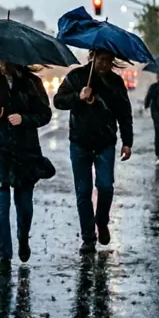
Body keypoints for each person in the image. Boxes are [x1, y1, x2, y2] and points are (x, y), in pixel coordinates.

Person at [0, 61, 55, 275]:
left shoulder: (32, 83)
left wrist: (24, 119)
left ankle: (23, 238)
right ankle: (4, 257)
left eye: (5, 59)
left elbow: (45, 114)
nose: (1, 63)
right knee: (0, 207)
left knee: (25, 207)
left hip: (25, 152)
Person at [53, 49, 133, 253]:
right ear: (92, 57)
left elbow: (124, 113)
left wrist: (127, 141)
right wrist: (78, 96)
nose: (104, 64)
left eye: (108, 60)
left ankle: (102, 220)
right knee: (83, 192)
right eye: (100, 59)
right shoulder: (77, 76)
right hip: (80, 142)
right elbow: (58, 101)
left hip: (105, 143)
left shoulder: (115, 82)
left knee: (106, 186)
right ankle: (88, 237)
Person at [144, 73, 159, 164]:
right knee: (158, 135)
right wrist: (146, 104)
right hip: (157, 114)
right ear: (158, 77)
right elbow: (148, 98)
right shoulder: (154, 87)